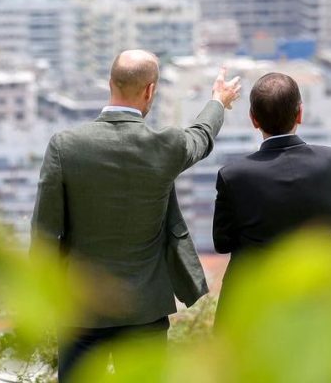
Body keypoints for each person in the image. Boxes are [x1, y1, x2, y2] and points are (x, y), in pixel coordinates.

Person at [31, 50, 241, 381]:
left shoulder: (65, 147)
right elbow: (201, 136)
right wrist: (218, 100)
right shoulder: (164, 145)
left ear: (109, 83)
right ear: (150, 90)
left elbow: (44, 233)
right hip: (145, 308)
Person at [212, 72, 331, 321]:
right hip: (322, 300)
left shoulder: (234, 175)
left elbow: (222, 242)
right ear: (300, 114)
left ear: (253, 120)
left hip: (255, 306)